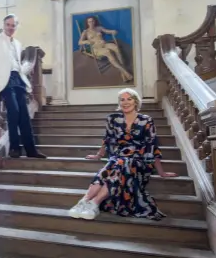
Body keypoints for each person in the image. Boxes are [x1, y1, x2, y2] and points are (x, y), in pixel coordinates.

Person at [68, 88, 177, 221]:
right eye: (122, 99)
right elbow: (107, 139)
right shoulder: (113, 119)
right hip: (119, 157)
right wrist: (99, 155)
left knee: (119, 163)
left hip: (139, 160)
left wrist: (161, 172)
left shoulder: (146, 120)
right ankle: (84, 201)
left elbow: (152, 146)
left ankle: (95, 203)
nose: (125, 102)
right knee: (114, 164)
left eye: (129, 99)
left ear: (136, 101)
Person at [0, 14, 46, 159]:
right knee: (14, 113)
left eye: (13, 25)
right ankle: (15, 148)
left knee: (24, 116)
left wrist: (24, 80)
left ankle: (31, 150)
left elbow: (18, 64)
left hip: (18, 79)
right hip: (5, 81)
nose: (10, 28)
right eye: (8, 24)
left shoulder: (18, 44)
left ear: (16, 27)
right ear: (4, 25)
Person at [78, 16, 133, 82]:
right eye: (89, 22)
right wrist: (87, 41)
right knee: (108, 52)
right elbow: (80, 42)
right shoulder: (85, 32)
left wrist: (112, 31)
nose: (91, 23)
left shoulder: (99, 28)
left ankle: (122, 73)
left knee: (115, 47)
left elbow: (107, 31)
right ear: (87, 23)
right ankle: (125, 72)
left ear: (95, 21)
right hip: (96, 48)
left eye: (92, 21)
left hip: (104, 44)